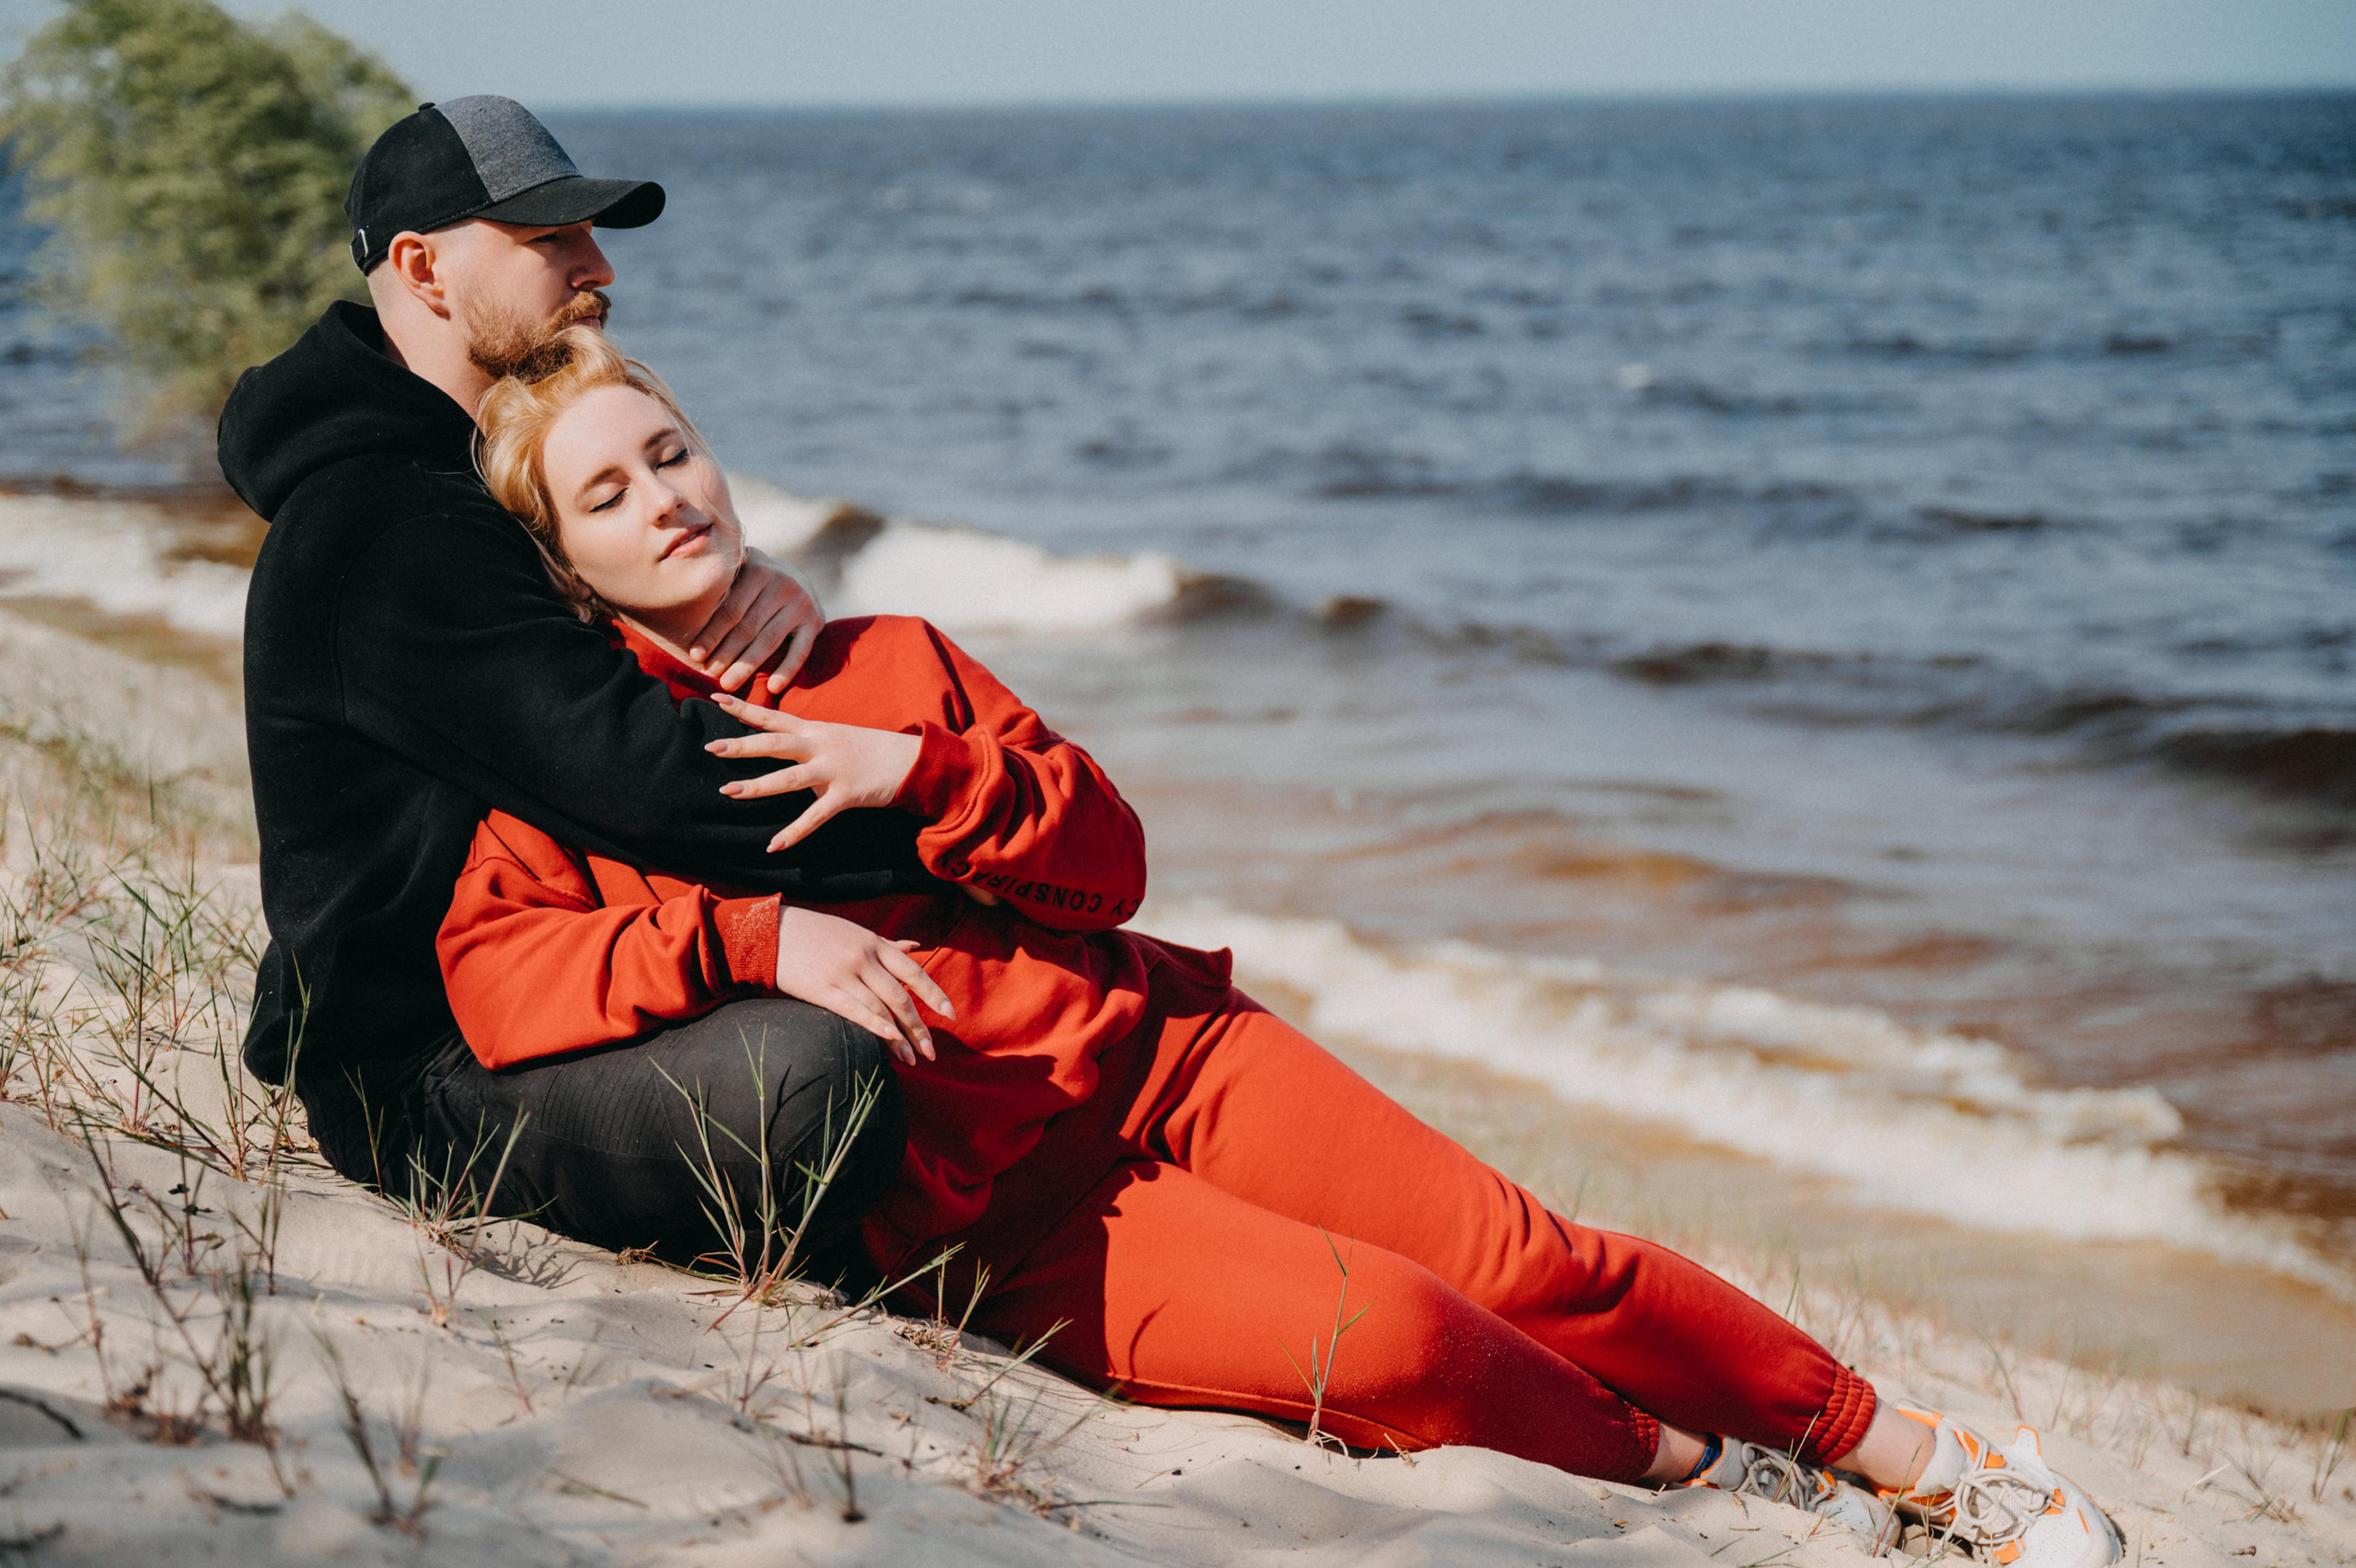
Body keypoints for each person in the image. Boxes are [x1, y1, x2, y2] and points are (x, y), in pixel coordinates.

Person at [433, 326, 2124, 1568]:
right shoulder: (586, 755)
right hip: (1007, 1216)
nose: (662, 498)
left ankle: (1919, 1454)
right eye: (606, 489)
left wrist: (922, 767)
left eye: (670, 453)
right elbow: (496, 971)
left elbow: (1108, 855)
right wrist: (758, 934)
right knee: (1401, 1338)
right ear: (568, 568)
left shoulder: (886, 651)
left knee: (1534, 1260)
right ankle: (1693, 1462)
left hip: (1173, 1049)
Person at [217, 98, 923, 1262]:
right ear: (423, 267)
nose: (598, 269)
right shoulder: (384, 524)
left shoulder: (470, 475)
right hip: (435, 1069)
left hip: (586, 969)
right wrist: (941, 815)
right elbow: (640, 774)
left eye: (591, 234)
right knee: (815, 1089)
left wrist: (746, 579)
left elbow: (615, 656)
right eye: (552, 241)